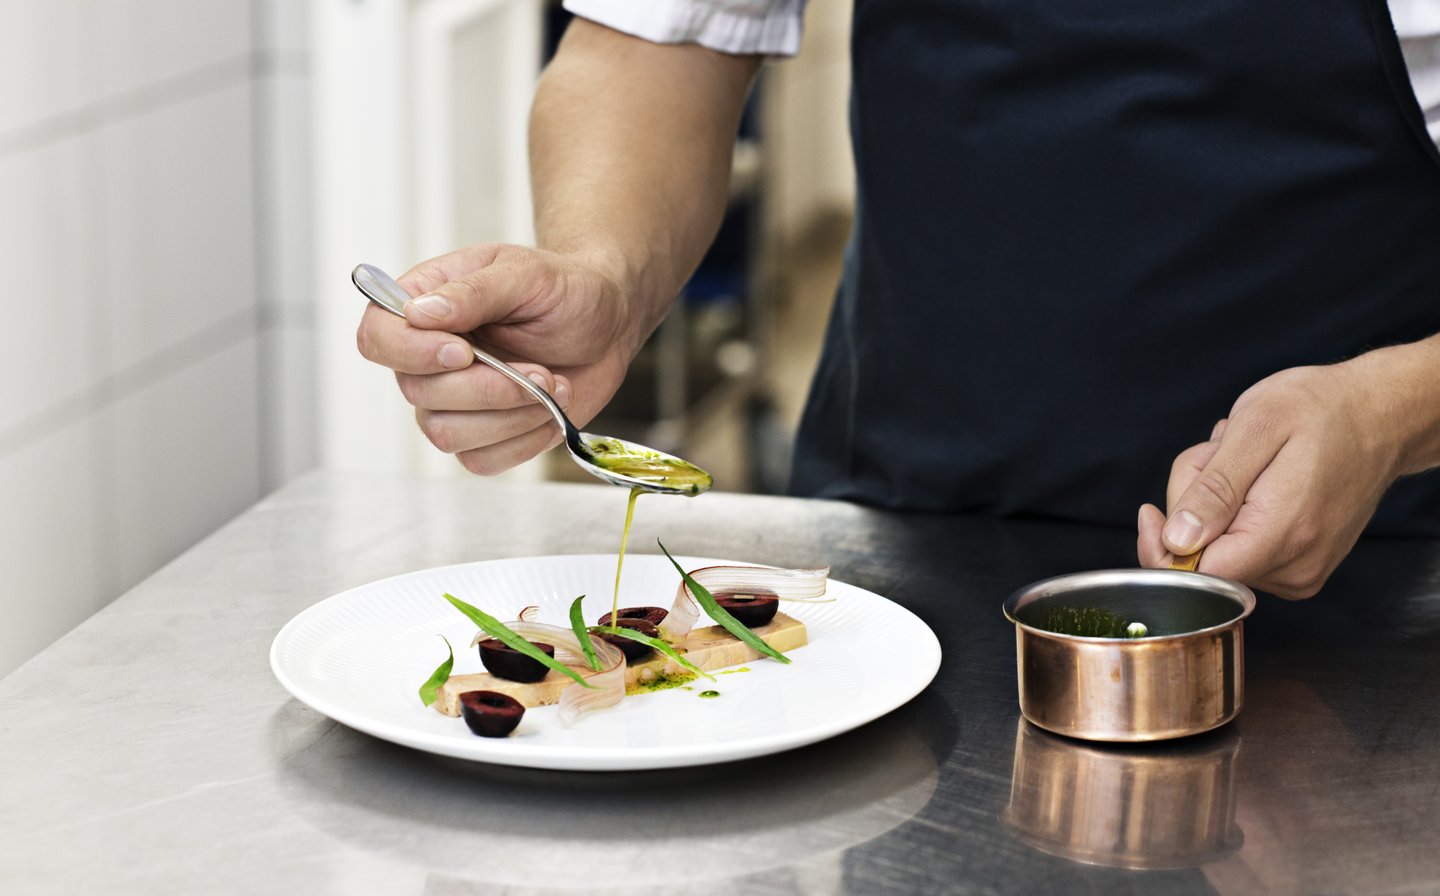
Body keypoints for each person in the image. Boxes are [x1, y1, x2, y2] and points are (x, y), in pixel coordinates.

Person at [356, 1, 1440, 600]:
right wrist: (608, 274)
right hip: (911, 540)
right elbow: (666, 33)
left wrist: (1392, 414)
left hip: (1374, 585)